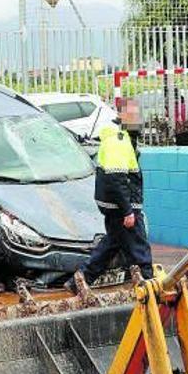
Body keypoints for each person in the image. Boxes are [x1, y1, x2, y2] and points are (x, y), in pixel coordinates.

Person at [68, 122, 153, 292]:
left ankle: (80, 280)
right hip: (121, 206)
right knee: (139, 246)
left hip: (116, 204)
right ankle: (150, 286)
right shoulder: (119, 141)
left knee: (112, 244)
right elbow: (115, 178)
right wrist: (128, 210)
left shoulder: (122, 139)